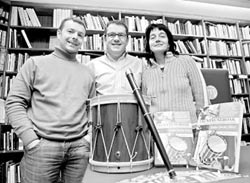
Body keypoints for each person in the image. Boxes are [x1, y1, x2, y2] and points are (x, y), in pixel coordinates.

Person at [5, 17, 95, 183]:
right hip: (42, 147)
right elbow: (14, 102)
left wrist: (88, 138)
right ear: (59, 34)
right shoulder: (34, 64)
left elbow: (93, 109)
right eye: (70, 31)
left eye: (80, 34)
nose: (75, 37)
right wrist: (30, 139)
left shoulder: (88, 72)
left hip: (80, 148)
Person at [142, 23, 209, 124]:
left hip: (188, 129)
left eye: (162, 36)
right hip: (158, 131)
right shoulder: (146, 71)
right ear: (148, 45)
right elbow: (146, 104)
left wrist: (201, 124)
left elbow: (201, 96)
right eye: (153, 37)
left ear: (169, 43)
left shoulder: (186, 61)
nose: (157, 39)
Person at [87, 20, 145, 95]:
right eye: (112, 35)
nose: (116, 39)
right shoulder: (92, 66)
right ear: (105, 38)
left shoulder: (140, 65)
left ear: (127, 40)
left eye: (121, 35)